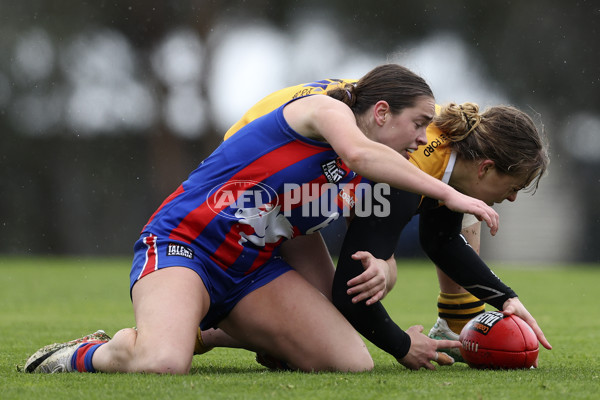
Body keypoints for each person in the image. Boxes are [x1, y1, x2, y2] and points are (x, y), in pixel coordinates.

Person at [23, 64, 499, 374]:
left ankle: (223, 333)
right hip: (187, 244)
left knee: (350, 363)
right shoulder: (325, 110)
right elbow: (358, 151)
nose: (422, 139)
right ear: (379, 112)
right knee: (162, 364)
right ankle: (88, 353)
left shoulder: (378, 171)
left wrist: (383, 269)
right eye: (418, 123)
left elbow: (377, 251)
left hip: (255, 269)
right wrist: (451, 195)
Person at [194, 83, 552, 369]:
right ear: (485, 168)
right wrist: (404, 346)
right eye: (514, 187)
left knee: (375, 277)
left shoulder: (454, 143)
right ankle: (204, 331)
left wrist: (505, 298)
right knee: (354, 294)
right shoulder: (404, 174)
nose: (512, 199)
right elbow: (351, 296)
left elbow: (440, 239)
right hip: (259, 172)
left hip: (292, 165)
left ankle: (255, 335)